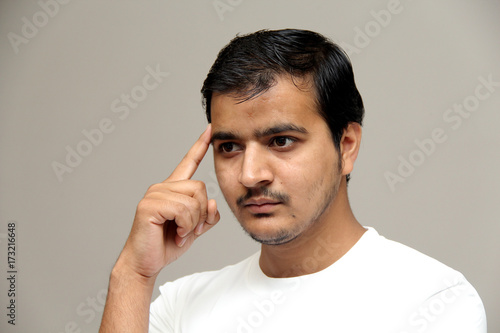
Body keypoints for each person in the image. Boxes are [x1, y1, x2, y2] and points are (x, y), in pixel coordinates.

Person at [99, 29, 487, 332]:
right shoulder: (182, 304)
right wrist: (133, 274)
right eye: (230, 146)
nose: (250, 175)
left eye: (281, 141)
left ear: (346, 145)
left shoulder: (432, 299)